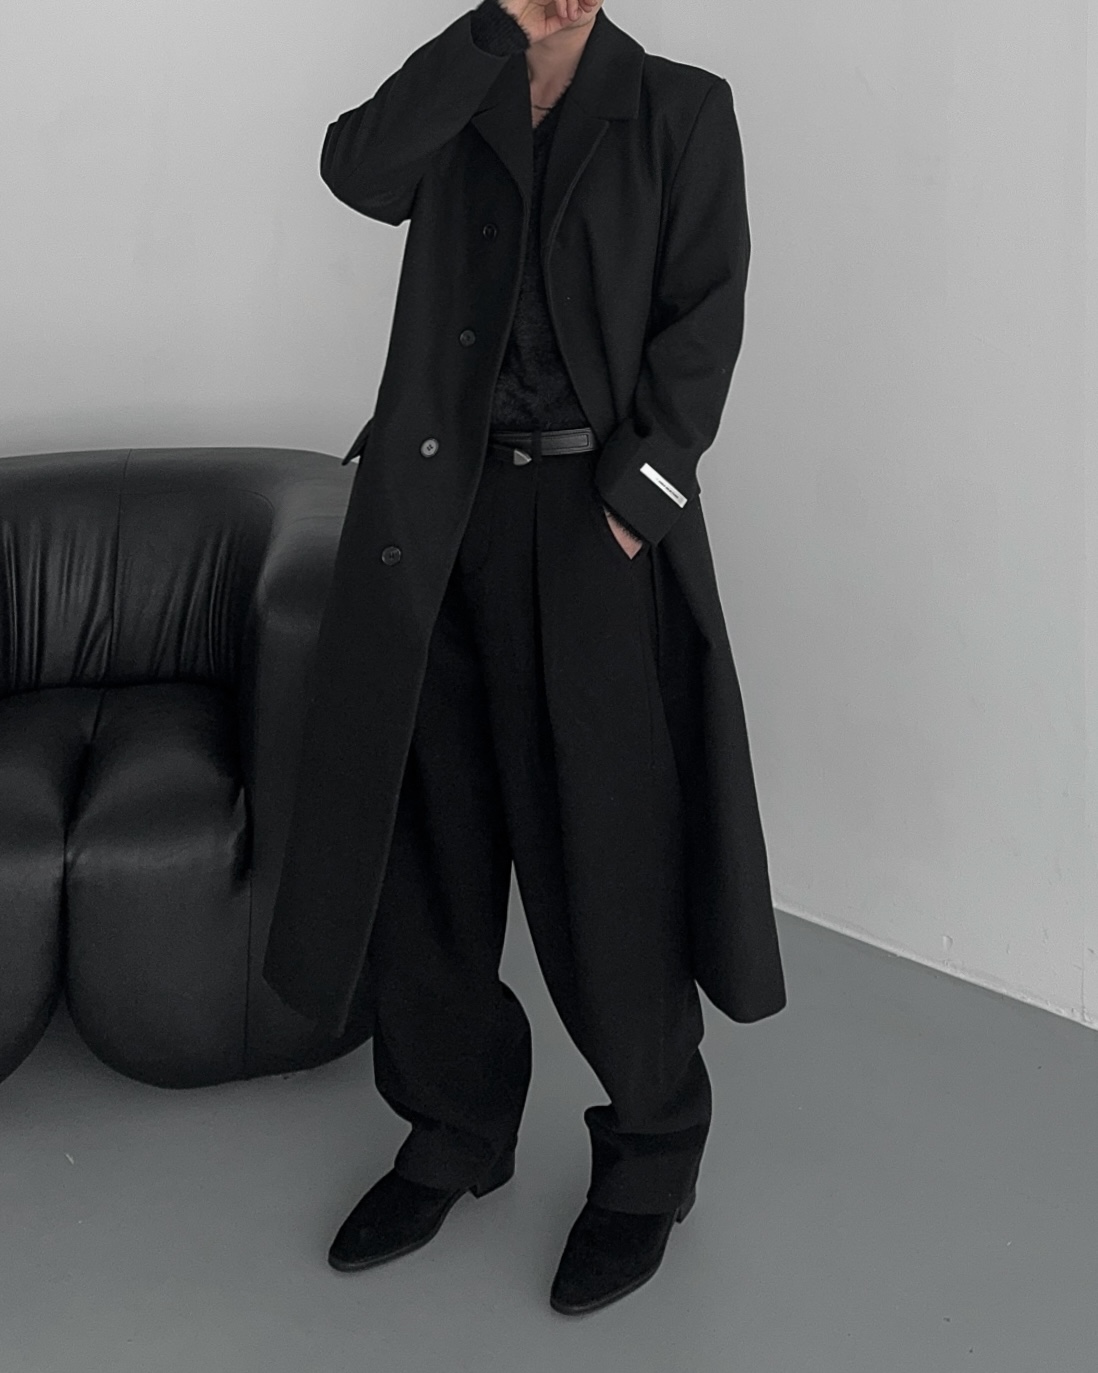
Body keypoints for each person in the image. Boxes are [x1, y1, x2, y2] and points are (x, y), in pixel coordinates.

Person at [266, 0, 788, 1317]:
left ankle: (650, 1154)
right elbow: (356, 170)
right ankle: (453, 1129)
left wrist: (635, 503)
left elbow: (705, 316)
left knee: (606, 851)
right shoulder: (464, 88)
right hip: (433, 519)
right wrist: (489, 38)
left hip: (589, 523)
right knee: (432, 841)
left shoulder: (679, 107)